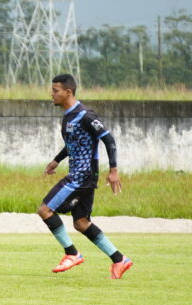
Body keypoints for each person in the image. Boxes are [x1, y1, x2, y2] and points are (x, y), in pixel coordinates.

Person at [38, 74, 132, 279]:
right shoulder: (69, 115)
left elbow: (108, 139)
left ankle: (72, 253)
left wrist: (114, 170)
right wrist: (57, 159)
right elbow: (74, 143)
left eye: (55, 90)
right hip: (82, 176)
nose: (51, 94)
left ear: (68, 92)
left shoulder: (85, 115)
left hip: (81, 176)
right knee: (81, 223)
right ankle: (119, 259)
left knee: (45, 210)